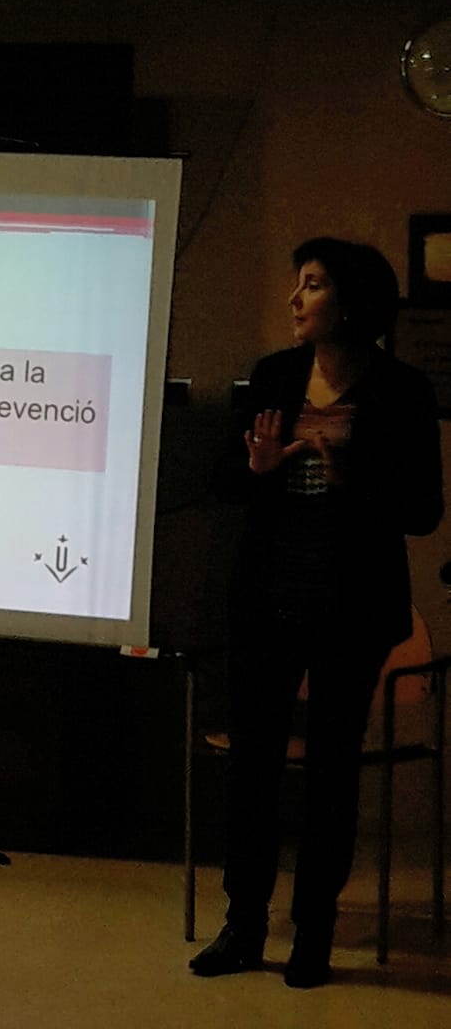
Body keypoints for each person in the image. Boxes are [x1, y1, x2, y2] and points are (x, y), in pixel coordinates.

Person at [190, 237, 444, 987]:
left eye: (313, 285)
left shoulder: (403, 390)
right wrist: (258, 468)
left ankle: (314, 933)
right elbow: (224, 479)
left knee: (332, 771)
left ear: (352, 301)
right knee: (253, 768)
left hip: (351, 608)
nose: (295, 300)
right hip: (266, 601)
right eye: (298, 284)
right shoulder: (275, 375)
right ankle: (243, 925)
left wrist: (355, 481)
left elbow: (424, 511)